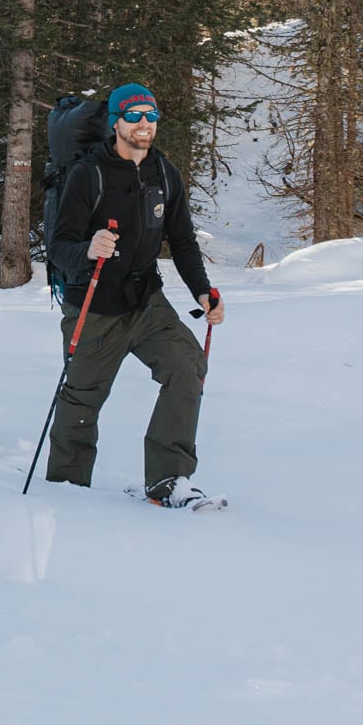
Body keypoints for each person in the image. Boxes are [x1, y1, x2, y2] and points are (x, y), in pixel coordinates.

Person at [45, 83, 225, 509]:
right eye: (134, 115)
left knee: (187, 367)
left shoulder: (165, 173)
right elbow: (59, 246)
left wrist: (203, 291)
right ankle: (66, 491)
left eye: (151, 115)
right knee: (83, 397)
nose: (144, 124)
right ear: (116, 122)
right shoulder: (88, 174)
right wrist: (88, 250)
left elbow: (181, 241)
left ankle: (168, 479)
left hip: (146, 299)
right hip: (94, 303)